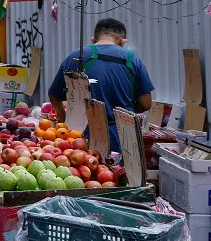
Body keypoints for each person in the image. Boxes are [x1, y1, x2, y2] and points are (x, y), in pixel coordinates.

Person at [48, 18, 154, 153]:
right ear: (123, 42)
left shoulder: (76, 56)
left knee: (81, 170)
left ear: (93, 40)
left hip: (78, 136)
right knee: (115, 172)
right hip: (121, 137)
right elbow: (146, 104)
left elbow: (54, 94)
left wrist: (62, 116)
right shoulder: (132, 59)